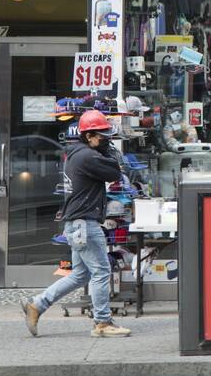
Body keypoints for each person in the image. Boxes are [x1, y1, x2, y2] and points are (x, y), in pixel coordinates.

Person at [20, 110, 131, 337]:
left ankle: (37, 304)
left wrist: (105, 150)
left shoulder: (78, 153)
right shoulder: (87, 156)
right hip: (85, 225)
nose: (106, 140)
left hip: (77, 223)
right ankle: (102, 323)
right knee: (101, 271)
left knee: (81, 275)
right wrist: (110, 154)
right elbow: (114, 173)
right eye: (102, 137)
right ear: (89, 136)